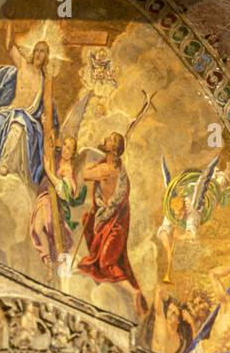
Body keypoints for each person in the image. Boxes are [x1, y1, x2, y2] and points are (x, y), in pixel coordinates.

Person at [78, 132, 147, 316]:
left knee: (105, 262)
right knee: (87, 220)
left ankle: (134, 292)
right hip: (115, 223)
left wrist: (95, 163)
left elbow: (84, 174)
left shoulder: (106, 170)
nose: (105, 140)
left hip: (111, 224)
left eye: (109, 140)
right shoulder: (118, 168)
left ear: (112, 148)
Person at [0, 29, 54, 186]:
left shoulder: (45, 79)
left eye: (43, 51)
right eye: (37, 50)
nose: (38, 54)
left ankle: (4, 164)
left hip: (27, 117)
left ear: (46, 56)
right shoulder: (23, 65)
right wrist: (9, 26)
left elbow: (47, 105)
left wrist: (49, 130)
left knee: (16, 128)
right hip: (10, 111)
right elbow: (9, 46)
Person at [30, 136, 86, 271]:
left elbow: (64, 191)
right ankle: (46, 259)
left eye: (69, 148)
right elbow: (47, 143)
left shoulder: (67, 169)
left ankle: (49, 261)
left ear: (72, 153)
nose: (65, 150)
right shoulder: (56, 156)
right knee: (36, 231)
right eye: (65, 145)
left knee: (40, 230)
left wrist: (49, 172)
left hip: (50, 201)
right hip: (42, 197)